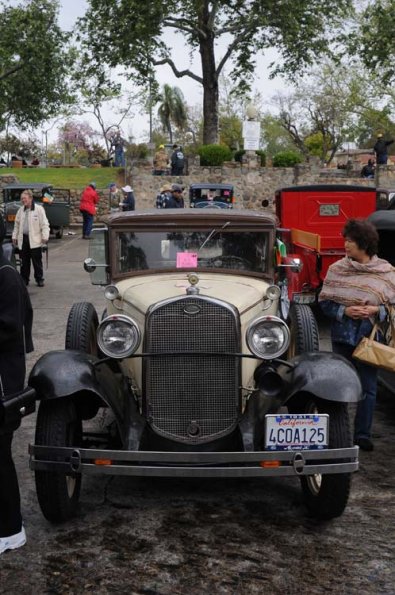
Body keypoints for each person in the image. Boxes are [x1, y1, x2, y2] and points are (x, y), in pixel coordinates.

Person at [319, 218, 395, 451]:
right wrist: (345, 310)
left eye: (350, 240)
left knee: (368, 388)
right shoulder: (337, 269)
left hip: (369, 339)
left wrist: (376, 310)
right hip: (342, 337)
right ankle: (337, 433)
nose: (346, 244)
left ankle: (362, 435)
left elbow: (392, 308)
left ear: (363, 243)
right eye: (345, 240)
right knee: (338, 386)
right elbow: (324, 302)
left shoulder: (386, 272)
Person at [0, 212, 34, 555]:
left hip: (3, 382)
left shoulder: (7, 276)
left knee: (0, 457)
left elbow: (10, 329)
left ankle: (10, 529)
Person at [12, 189, 49, 287]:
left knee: (37, 261)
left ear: (30, 198)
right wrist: (14, 236)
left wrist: (45, 237)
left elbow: (45, 224)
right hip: (23, 239)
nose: (23, 200)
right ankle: (24, 279)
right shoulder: (20, 210)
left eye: (24, 198)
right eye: (22, 199)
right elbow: (16, 225)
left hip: (35, 240)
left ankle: (39, 279)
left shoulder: (39, 209)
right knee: (24, 262)